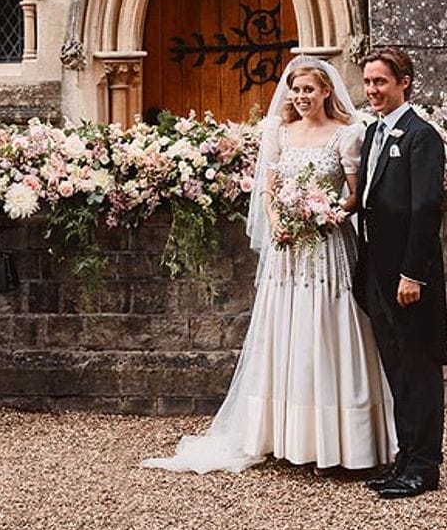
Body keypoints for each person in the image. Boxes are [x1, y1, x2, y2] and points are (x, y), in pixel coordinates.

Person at [141, 56, 396, 474]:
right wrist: (280, 222)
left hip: (327, 248)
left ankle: (343, 440)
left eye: (309, 90)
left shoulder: (347, 135)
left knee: (330, 330)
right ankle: (285, 434)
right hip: (288, 252)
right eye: (296, 90)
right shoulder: (279, 131)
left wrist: (326, 213)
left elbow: (355, 195)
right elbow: (268, 191)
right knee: (289, 331)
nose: (301, 97)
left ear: (326, 91)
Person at [353, 46, 447, 499]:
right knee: (396, 368)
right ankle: (404, 458)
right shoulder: (373, 134)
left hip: (409, 279)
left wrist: (413, 274)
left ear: (404, 82)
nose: (372, 90)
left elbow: (426, 209)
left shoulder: (421, 136)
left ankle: (424, 467)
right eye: (368, 82)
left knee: (419, 368)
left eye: (381, 82)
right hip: (377, 271)